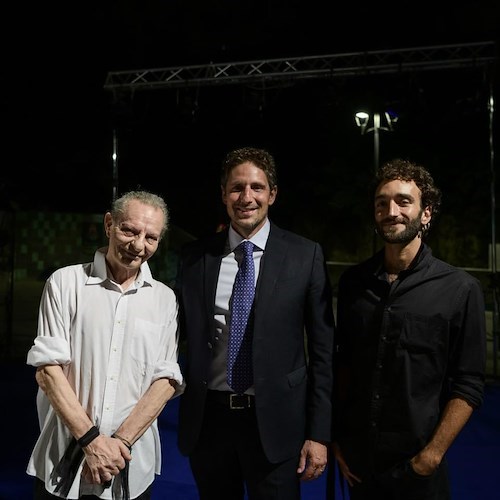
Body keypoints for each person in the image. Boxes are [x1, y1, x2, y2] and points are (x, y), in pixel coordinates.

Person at [174, 146, 335, 500]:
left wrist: (319, 434)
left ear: (272, 194)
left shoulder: (305, 255)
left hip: (278, 425)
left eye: (257, 187)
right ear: (223, 194)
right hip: (209, 424)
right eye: (236, 188)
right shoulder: (195, 258)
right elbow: (172, 334)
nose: (246, 197)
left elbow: (323, 354)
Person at [331, 159, 487, 499]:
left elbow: (470, 384)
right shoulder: (353, 284)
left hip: (418, 471)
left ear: (426, 213)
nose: (392, 211)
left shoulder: (460, 289)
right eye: (381, 203)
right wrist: (337, 439)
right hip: (358, 468)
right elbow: (342, 366)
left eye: (403, 201)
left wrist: (430, 457)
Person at [26, 190, 184, 499]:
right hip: (63, 458)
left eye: (151, 238)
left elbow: (165, 381)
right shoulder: (64, 283)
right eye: (130, 230)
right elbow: (48, 371)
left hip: (129, 466)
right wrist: (92, 441)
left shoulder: (164, 299)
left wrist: (120, 444)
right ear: (109, 223)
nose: (138, 245)